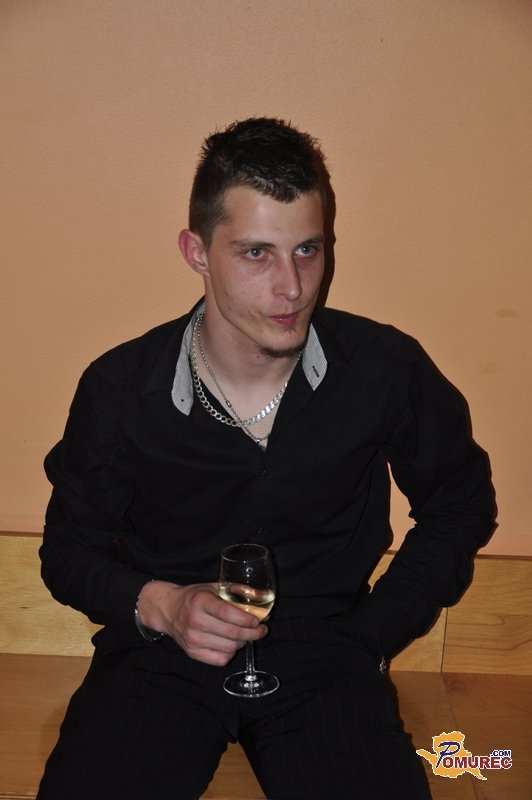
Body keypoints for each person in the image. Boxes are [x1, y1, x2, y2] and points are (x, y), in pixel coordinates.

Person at [37, 117, 495, 800]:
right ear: (196, 251)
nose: (293, 287)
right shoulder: (120, 388)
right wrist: (161, 605)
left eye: (308, 249)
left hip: (328, 653)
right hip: (159, 653)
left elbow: (459, 505)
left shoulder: (384, 369)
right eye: (256, 253)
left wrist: (369, 637)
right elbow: (66, 551)